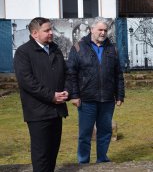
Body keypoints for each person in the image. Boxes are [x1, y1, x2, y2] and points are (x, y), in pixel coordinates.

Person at [66, 17, 125, 164]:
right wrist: (74, 95)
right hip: (86, 99)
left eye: (105, 30)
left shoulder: (113, 49)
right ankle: (83, 162)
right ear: (92, 29)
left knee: (105, 132)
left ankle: (102, 159)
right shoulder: (78, 47)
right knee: (85, 134)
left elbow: (118, 74)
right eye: (100, 29)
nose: (103, 33)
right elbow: (71, 73)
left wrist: (120, 95)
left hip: (107, 99)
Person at [13, 17, 69, 172]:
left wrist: (67, 92)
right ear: (34, 33)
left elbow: (66, 74)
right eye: (47, 30)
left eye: (51, 29)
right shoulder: (23, 52)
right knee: (41, 155)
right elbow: (27, 82)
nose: (51, 33)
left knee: (52, 153)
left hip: (56, 111)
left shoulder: (55, 50)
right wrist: (52, 96)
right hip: (38, 112)